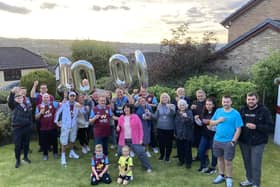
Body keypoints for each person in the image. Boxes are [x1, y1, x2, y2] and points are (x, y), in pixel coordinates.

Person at [239, 92, 273, 187]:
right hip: (244, 141)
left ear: (257, 100)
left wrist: (256, 126)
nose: (250, 101)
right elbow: (237, 123)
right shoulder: (242, 109)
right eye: (249, 99)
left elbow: (270, 127)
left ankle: (256, 183)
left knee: (255, 164)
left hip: (258, 142)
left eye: (253, 99)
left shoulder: (264, 110)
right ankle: (249, 179)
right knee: (247, 162)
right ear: (246, 100)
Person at [209, 96, 243, 187]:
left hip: (229, 141)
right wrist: (218, 120)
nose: (225, 103)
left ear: (231, 102)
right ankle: (221, 175)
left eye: (227, 102)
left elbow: (238, 129)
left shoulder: (235, 113)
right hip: (217, 140)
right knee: (219, 159)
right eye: (224, 101)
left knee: (228, 161)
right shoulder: (218, 111)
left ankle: (229, 178)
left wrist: (233, 141)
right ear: (222, 102)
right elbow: (210, 123)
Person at [116, 104, 152, 172]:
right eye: (125, 108)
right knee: (119, 152)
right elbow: (119, 127)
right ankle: (122, 166)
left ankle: (148, 167)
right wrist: (118, 128)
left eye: (128, 108)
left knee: (141, 153)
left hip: (134, 139)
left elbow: (140, 128)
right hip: (123, 139)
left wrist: (141, 139)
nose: (126, 109)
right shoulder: (121, 117)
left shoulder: (135, 117)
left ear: (130, 109)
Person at [8, 87, 33, 168]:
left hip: (26, 128)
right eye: (17, 97)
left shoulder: (27, 105)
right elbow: (10, 101)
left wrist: (30, 125)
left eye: (21, 97)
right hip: (17, 129)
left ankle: (25, 157)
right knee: (17, 145)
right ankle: (18, 160)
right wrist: (12, 92)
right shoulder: (14, 106)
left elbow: (30, 116)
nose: (19, 98)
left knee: (26, 144)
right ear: (15, 99)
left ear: (23, 98)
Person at [54, 91, 80, 166]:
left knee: (72, 139)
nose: (72, 97)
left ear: (75, 97)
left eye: (73, 96)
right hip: (65, 125)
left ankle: (71, 152)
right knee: (64, 141)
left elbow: (82, 112)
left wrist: (81, 107)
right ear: (69, 97)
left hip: (74, 125)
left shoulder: (77, 105)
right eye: (71, 96)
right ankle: (63, 155)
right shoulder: (64, 104)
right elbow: (58, 112)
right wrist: (56, 121)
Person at [30, 80, 55, 152]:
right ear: (40, 89)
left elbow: (54, 105)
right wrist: (34, 85)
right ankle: (42, 146)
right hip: (40, 117)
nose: (43, 89)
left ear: (47, 89)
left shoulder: (50, 96)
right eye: (42, 88)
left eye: (45, 88)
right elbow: (31, 95)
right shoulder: (38, 96)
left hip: (49, 117)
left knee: (50, 131)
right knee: (40, 132)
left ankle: (50, 145)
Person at [150, 93, 175, 162]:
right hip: (160, 127)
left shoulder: (172, 105)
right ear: (161, 99)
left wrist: (170, 109)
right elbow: (155, 116)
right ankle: (161, 155)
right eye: (163, 97)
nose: (164, 99)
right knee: (161, 143)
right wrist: (149, 114)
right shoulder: (159, 105)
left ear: (168, 98)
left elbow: (173, 114)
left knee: (169, 143)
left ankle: (167, 157)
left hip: (170, 128)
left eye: (166, 97)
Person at [134, 87, 159, 154]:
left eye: (144, 91)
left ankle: (150, 148)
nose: (143, 92)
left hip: (147, 124)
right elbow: (134, 110)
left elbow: (152, 114)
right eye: (142, 91)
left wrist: (148, 116)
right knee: (139, 136)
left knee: (148, 136)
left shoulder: (149, 104)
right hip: (139, 124)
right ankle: (140, 148)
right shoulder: (137, 104)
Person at [35, 93, 59, 160]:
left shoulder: (54, 103)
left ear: (49, 98)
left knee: (54, 141)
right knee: (44, 142)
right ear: (42, 98)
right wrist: (40, 113)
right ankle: (45, 155)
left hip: (53, 127)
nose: (46, 98)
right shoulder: (39, 106)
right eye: (44, 97)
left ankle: (55, 153)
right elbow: (36, 117)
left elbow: (62, 104)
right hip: (43, 128)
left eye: (47, 97)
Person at [197, 98, 217, 174]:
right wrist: (197, 120)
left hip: (214, 136)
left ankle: (213, 167)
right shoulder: (204, 112)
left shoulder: (216, 113)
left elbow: (218, 125)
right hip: (204, 135)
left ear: (213, 105)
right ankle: (203, 166)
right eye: (207, 104)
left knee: (214, 152)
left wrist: (210, 124)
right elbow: (201, 124)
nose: (208, 106)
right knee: (200, 150)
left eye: (210, 104)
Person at [174, 99, 194, 168]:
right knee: (180, 149)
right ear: (178, 106)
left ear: (186, 106)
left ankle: (188, 162)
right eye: (180, 105)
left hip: (187, 134)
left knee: (187, 149)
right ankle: (181, 160)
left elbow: (191, 122)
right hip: (179, 134)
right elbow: (175, 123)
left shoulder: (189, 112)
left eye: (183, 105)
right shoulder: (177, 113)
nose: (182, 106)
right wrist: (175, 132)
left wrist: (186, 117)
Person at [191, 89, 206, 161]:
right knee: (197, 141)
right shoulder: (194, 102)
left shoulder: (207, 102)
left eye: (201, 96)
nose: (200, 97)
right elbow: (192, 112)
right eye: (198, 96)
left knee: (205, 141)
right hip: (196, 125)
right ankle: (198, 155)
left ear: (204, 95)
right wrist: (193, 114)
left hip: (205, 125)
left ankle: (205, 157)